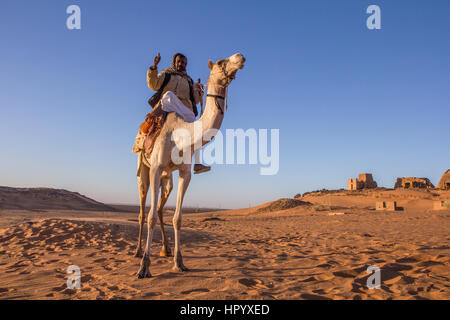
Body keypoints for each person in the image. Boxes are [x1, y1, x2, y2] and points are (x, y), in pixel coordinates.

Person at [143, 52, 210, 174]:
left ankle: (197, 162)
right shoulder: (167, 74)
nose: (181, 64)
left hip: (183, 110)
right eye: (179, 61)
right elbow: (153, 85)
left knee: (197, 128)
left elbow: (194, 99)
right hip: (166, 106)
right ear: (174, 62)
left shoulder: (189, 81)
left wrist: (198, 91)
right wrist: (154, 67)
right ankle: (147, 149)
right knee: (168, 95)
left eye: (183, 63)